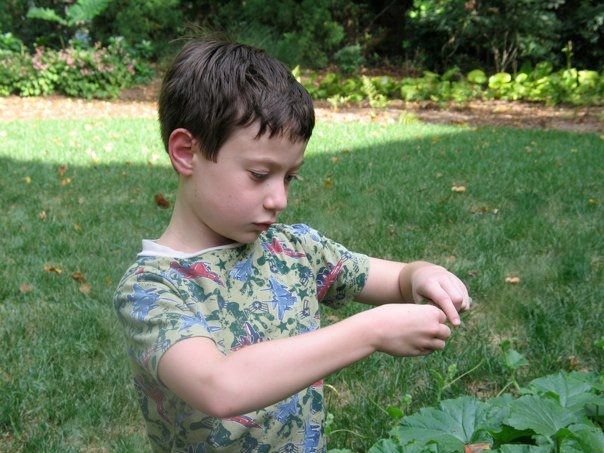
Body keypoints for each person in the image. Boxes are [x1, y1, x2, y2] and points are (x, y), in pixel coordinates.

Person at [113, 39, 471, 452]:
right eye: (259, 174)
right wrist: (370, 331)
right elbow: (219, 386)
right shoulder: (150, 289)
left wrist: (424, 274)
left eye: (289, 177)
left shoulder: (293, 249)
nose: (278, 199)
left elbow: (398, 278)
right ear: (186, 152)